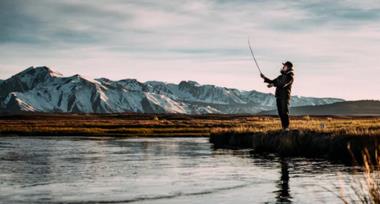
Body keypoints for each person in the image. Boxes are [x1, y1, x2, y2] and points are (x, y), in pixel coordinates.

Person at [261, 61, 294, 131]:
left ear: (288, 67)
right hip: (279, 96)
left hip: (284, 97)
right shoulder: (280, 76)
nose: (283, 67)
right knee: (280, 113)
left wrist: (273, 85)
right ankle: (283, 128)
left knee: (284, 112)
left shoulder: (290, 77)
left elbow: (283, 84)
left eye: (284, 66)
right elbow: (273, 81)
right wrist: (264, 78)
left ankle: (286, 128)